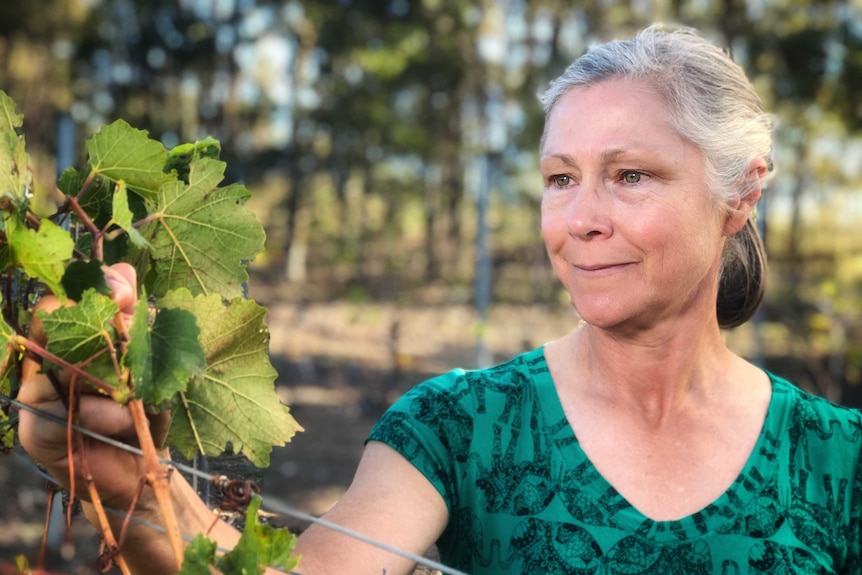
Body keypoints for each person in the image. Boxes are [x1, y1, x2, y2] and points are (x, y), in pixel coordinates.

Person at [18, 24, 862, 574]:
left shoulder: (838, 460)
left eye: (630, 175)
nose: (581, 220)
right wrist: (126, 475)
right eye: (560, 179)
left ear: (740, 197)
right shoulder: (460, 427)